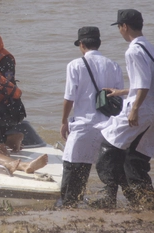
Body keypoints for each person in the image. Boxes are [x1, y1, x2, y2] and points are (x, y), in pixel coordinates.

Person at [93, 9, 154, 209]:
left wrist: (133, 109)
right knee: (135, 158)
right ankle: (147, 201)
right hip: (153, 112)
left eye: (119, 28)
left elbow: (144, 85)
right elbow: (149, 83)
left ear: (124, 26)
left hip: (139, 111)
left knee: (108, 143)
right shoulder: (150, 47)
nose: (120, 32)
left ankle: (107, 198)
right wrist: (121, 91)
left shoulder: (133, 50)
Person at [58, 26, 124, 208]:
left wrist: (64, 121)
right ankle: (109, 204)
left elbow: (69, 98)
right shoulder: (113, 65)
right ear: (99, 43)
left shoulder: (75, 65)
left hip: (84, 126)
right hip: (109, 128)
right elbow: (121, 99)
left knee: (74, 169)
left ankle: (71, 207)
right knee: (107, 172)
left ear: (81, 44)